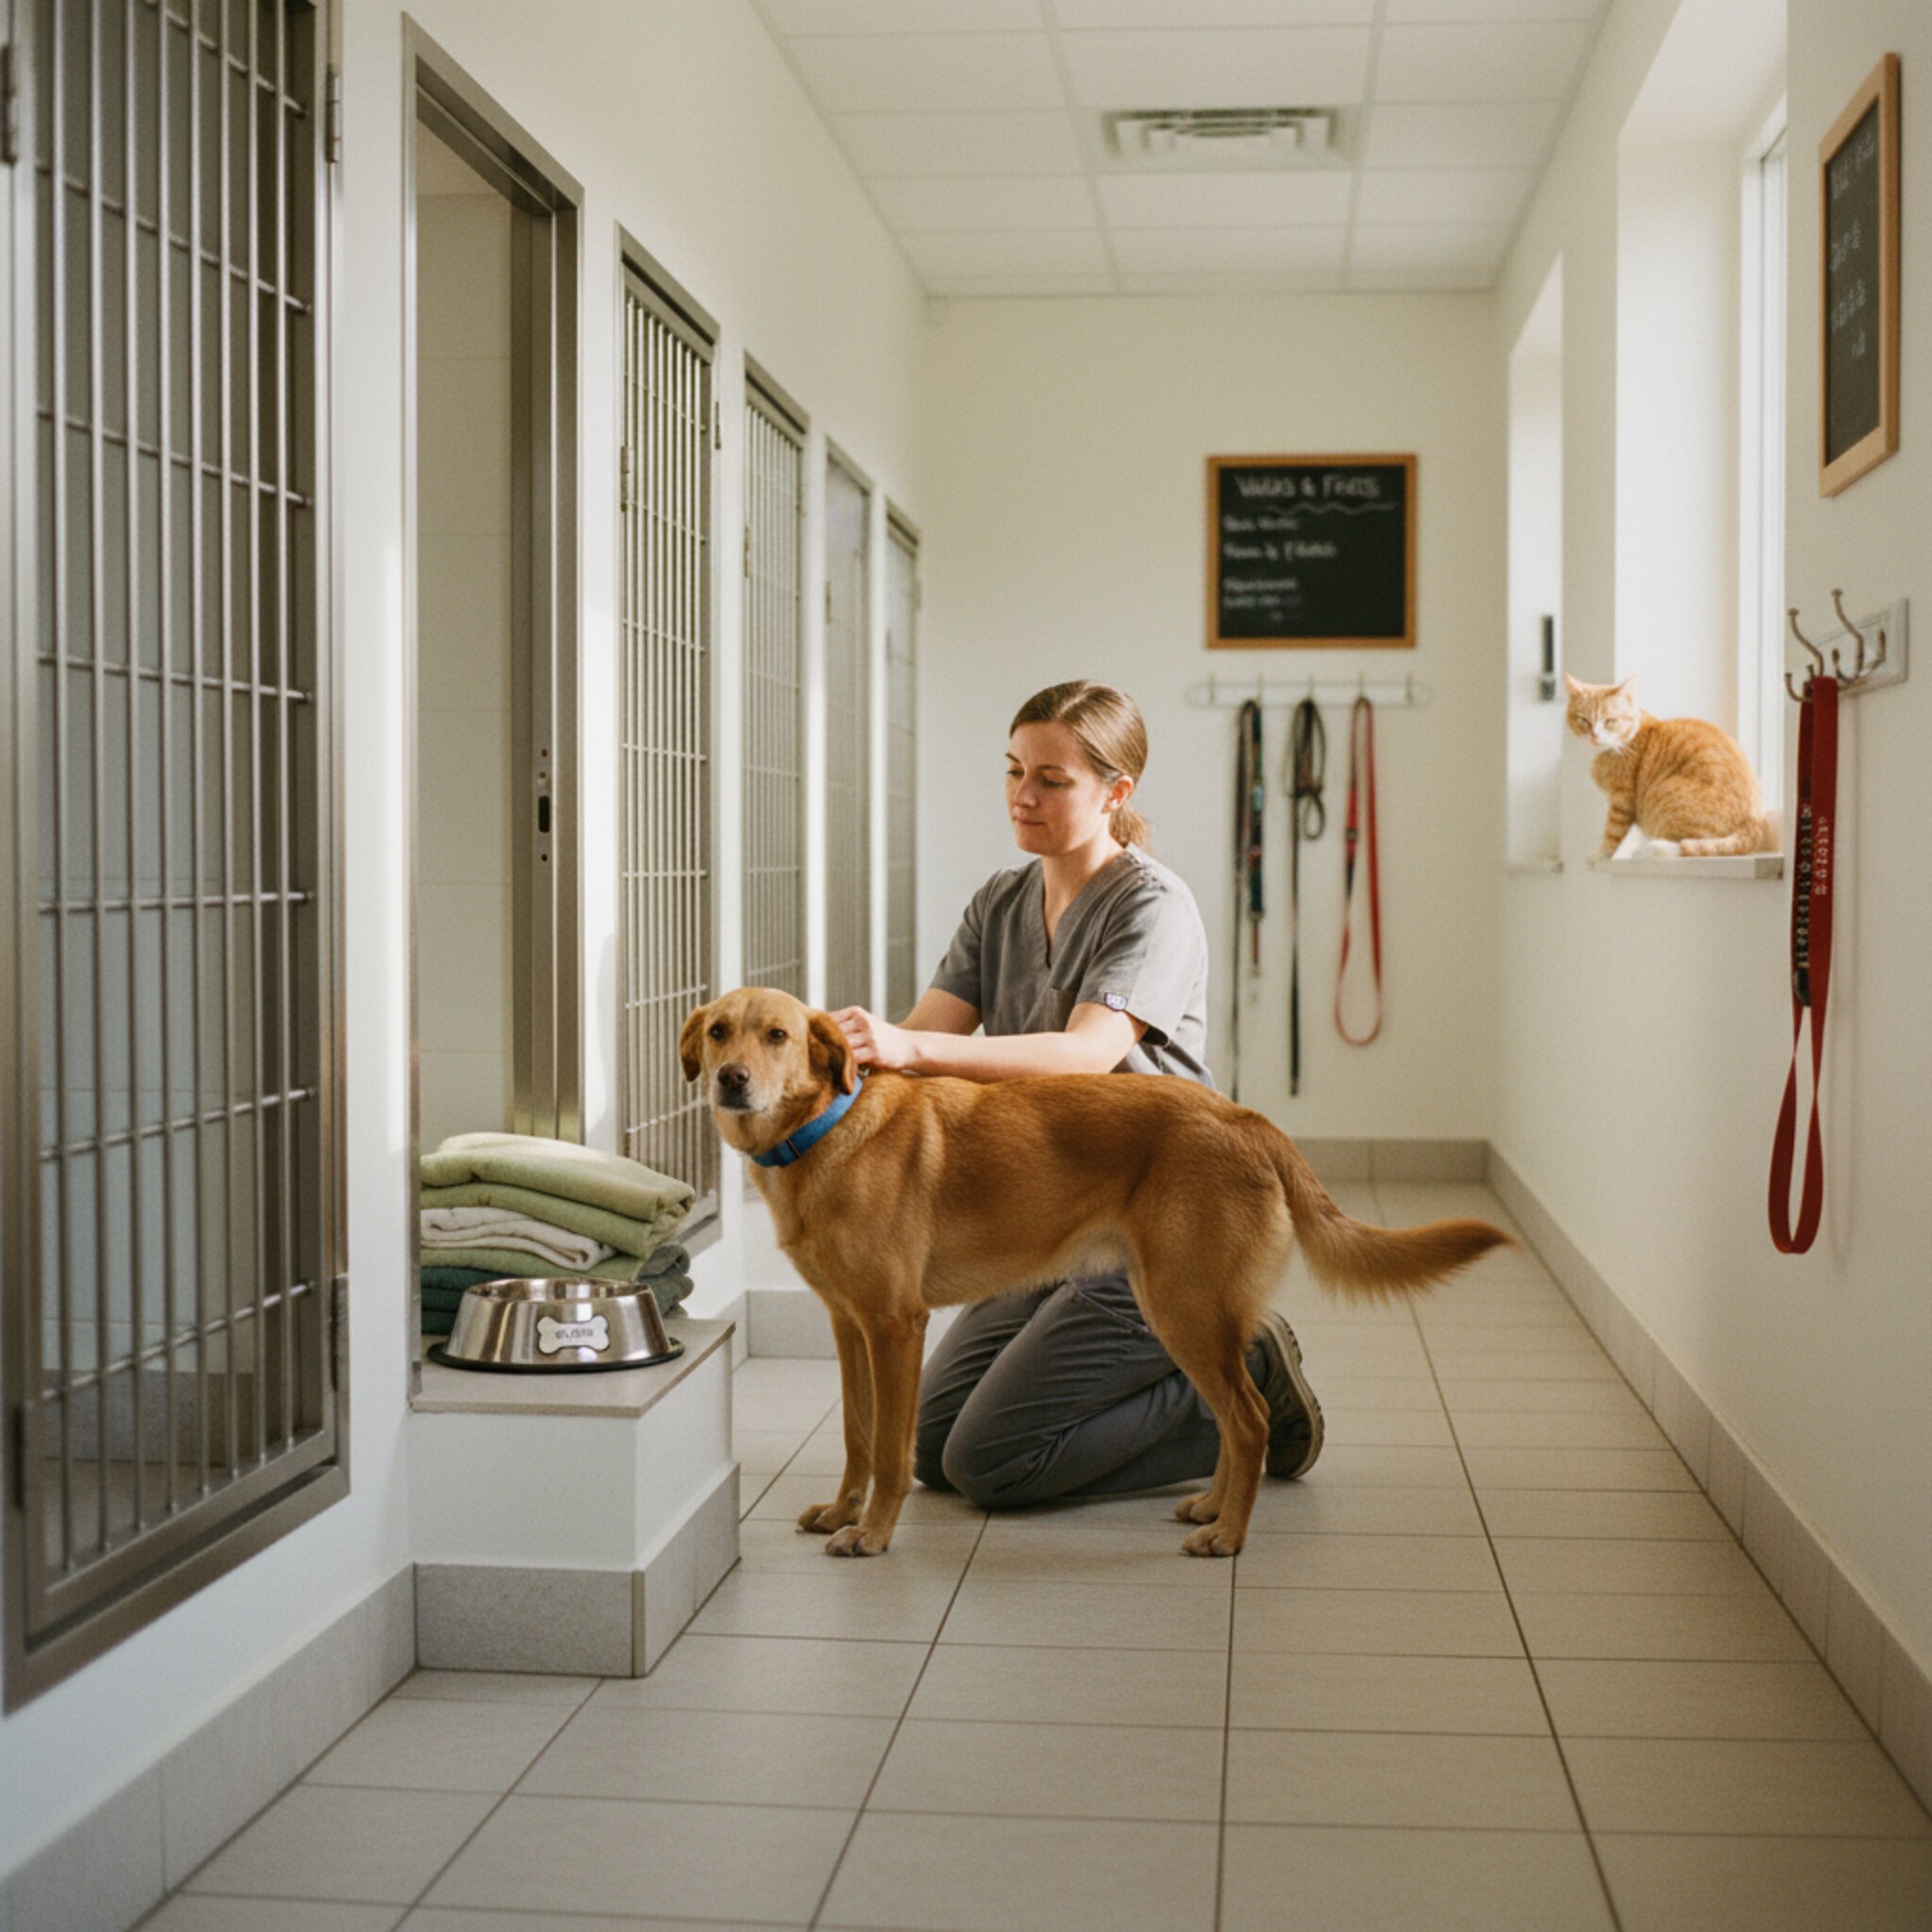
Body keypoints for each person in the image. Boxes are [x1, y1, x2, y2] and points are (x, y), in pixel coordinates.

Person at [829, 679, 1323, 1509]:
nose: (1024, 795)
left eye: (1052, 780)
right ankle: (1193, 1364)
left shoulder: (1151, 905)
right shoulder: (1002, 899)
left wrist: (909, 1044)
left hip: (1157, 1210)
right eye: (1015, 770)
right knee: (933, 1449)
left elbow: (1089, 1053)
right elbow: (914, 1049)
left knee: (995, 1463)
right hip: (1041, 1223)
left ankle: (1246, 1381)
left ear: (1115, 792)